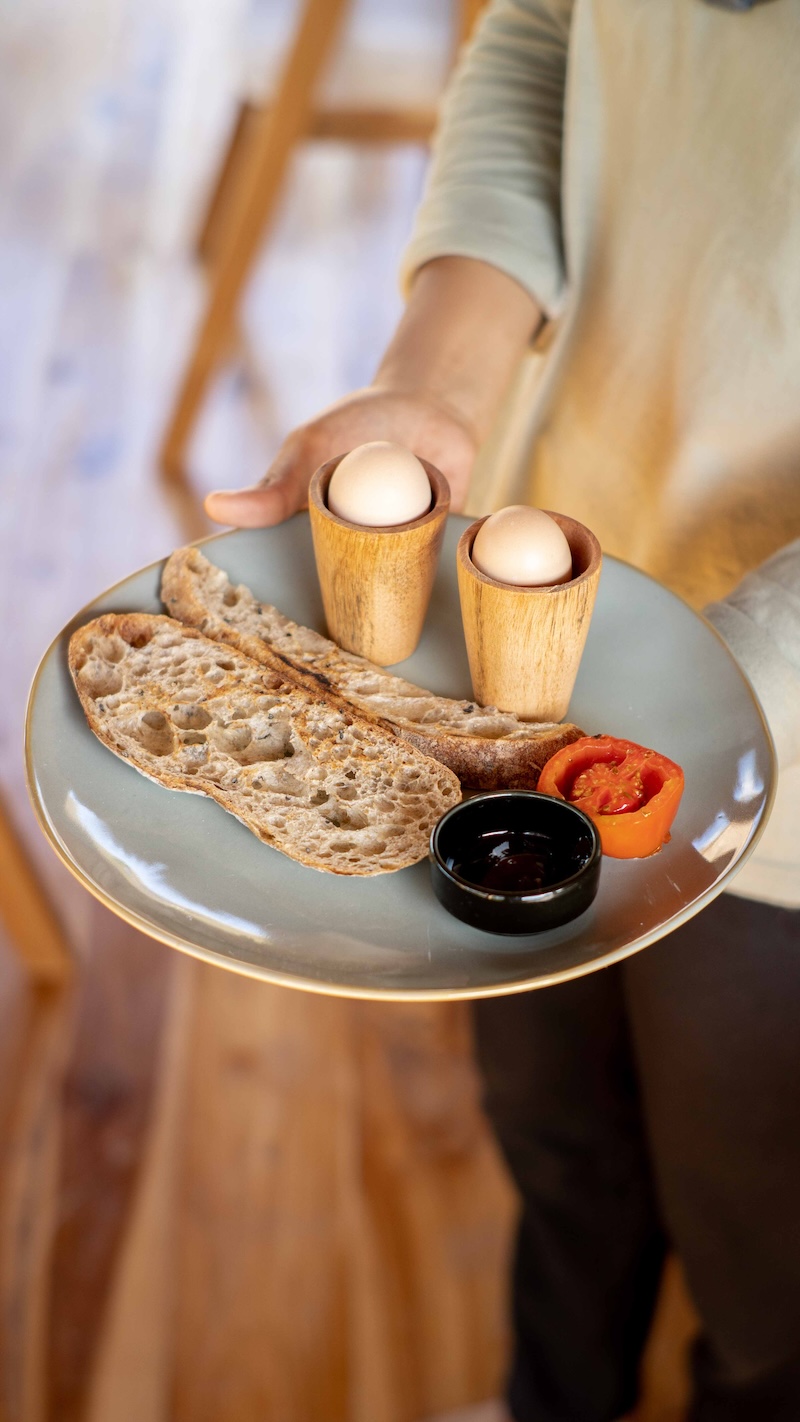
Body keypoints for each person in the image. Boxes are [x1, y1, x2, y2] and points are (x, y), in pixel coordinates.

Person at [205, 2, 800, 1417]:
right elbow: (547, 33)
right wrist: (432, 389)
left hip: (775, 756)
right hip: (537, 635)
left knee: (762, 1255)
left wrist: (702, 679)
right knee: (556, 1137)